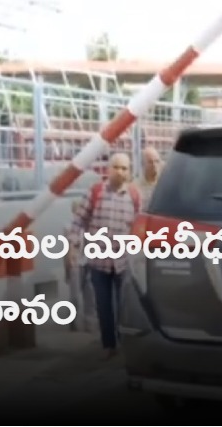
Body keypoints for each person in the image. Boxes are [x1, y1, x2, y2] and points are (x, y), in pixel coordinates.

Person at [68, 153, 141, 360]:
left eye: (124, 168)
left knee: (123, 305)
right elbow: (78, 221)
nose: (120, 172)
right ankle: (109, 345)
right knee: (103, 305)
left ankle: (123, 341)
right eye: (116, 167)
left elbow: (138, 228)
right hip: (98, 261)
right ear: (108, 170)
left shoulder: (134, 197)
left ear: (129, 172)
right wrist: (72, 247)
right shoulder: (95, 193)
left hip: (123, 261)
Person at [63, 199, 96, 333]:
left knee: (90, 294)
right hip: (75, 263)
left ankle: (89, 323)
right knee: (75, 295)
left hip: (88, 262)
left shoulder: (89, 227)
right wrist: (67, 268)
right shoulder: (68, 226)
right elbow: (66, 249)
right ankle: (73, 322)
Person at [134, 146, 163, 210]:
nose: (154, 165)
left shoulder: (166, 184)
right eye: (150, 162)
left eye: (157, 161)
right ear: (143, 164)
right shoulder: (135, 187)